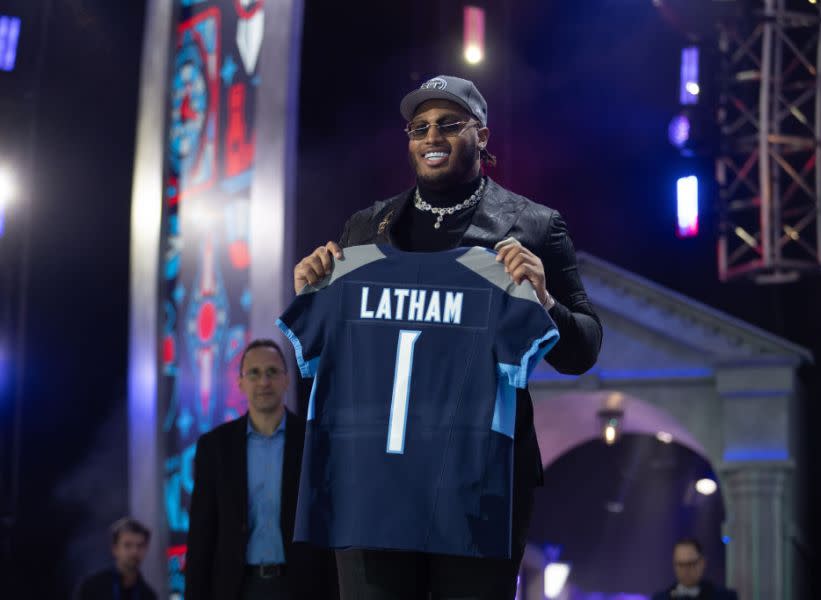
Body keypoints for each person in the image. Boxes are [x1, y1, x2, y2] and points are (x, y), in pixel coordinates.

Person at [291, 74, 602, 599]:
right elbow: (333, 358)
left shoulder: (533, 225)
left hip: (479, 478)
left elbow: (584, 350)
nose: (431, 137)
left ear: (481, 136)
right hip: (377, 473)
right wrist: (311, 297)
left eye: (449, 124)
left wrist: (545, 301)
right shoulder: (366, 228)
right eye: (419, 127)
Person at [184, 339, 337, 600]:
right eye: (254, 373)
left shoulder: (314, 442)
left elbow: (329, 524)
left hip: (301, 586)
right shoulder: (215, 448)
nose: (264, 382)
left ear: (286, 380)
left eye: (272, 372)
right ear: (240, 382)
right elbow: (202, 534)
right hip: (237, 588)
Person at [74, 517, 157, 600]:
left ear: (146, 549)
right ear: (115, 549)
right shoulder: (92, 587)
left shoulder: (148, 595)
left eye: (140, 546)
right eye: (128, 545)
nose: (134, 551)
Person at [652, 538, 738, 600]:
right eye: (680, 565)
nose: (685, 570)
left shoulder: (724, 597)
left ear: (702, 563)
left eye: (690, 564)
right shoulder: (661, 598)